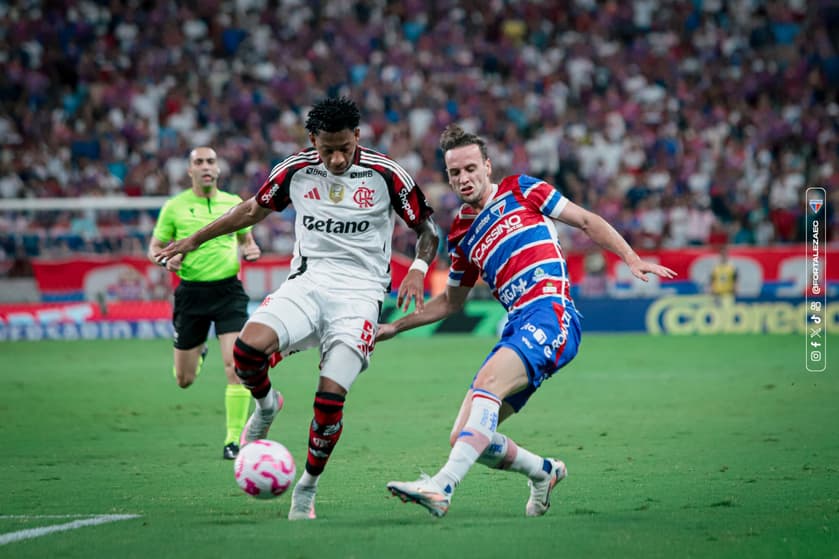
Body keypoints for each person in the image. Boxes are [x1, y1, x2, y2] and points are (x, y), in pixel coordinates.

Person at [154, 97, 439, 520]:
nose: (337, 158)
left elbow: (427, 228)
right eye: (328, 149)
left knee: (329, 401)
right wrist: (195, 239)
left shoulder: (386, 173)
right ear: (313, 141)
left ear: (357, 136)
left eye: (345, 147)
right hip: (307, 283)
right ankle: (267, 404)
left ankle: (306, 488)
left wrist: (417, 266)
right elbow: (252, 209)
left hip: (361, 296)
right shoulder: (295, 170)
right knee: (247, 353)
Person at [378, 125, 676, 518]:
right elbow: (451, 302)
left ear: (487, 166)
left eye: (470, 168)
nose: (463, 179)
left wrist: (631, 257)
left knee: (486, 387)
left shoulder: (521, 189)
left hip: (552, 312)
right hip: (519, 324)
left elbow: (585, 221)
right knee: (465, 436)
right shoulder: (462, 233)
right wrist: (396, 326)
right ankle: (544, 472)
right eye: (455, 173)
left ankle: (442, 487)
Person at [148, 146, 262, 461]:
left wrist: (251, 249)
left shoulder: (234, 203)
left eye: (211, 161)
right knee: (184, 380)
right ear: (189, 171)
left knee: (236, 368)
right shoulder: (175, 207)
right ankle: (197, 356)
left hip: (228, 293)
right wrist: (164, 261)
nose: (205, 167)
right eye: (199, 162)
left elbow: (245, 239)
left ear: (218, 168)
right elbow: (156, 247)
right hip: (191, 295)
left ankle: (233, 441)